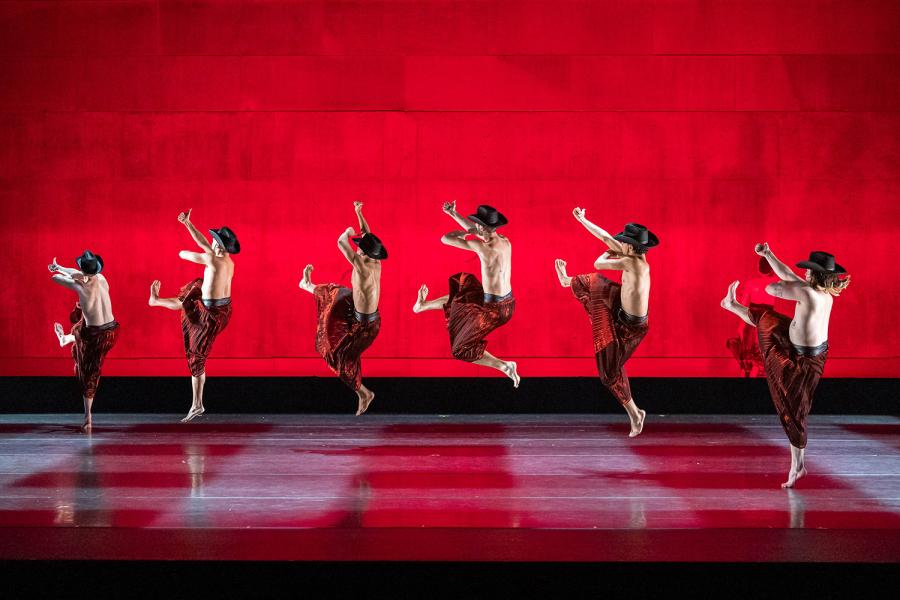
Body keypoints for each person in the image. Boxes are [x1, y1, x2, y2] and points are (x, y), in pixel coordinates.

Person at [721, 246, 850, 488]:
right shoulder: (818, 293)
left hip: (800, 363)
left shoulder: (809, 294)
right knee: (767, 320)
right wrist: (768, 255)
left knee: (792, 410)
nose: (806, 275)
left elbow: (773, 287)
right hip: (800, 346)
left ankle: (798, 465)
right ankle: (731, 305)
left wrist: (788, 284)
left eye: (810, 272)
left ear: (817, 276)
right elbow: (789, 275)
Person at [554, 208, 658, 437]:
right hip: (620, 306)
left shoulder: (635, 264)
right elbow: (605, 238)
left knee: (609, 373)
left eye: (624, 243)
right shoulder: (633, 255)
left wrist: (608, 253)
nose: (620, 244)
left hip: (630, 327)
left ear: (631, 247)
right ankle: (568, 281)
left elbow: (598, 262)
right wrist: (584, 220)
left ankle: (635, 413)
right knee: (592, 283)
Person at [413, 202, 519, 386]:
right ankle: (423, 305)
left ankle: (504, 366)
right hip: (508, 303)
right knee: (462, 291)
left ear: (481, 227)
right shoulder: (504, 240)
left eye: (477, 225)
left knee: (460, 349)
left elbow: (446, 239)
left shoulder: (483, 248)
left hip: (493, 310)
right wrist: (453, 213)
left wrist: (465, 232)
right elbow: (475, 230)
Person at [148, 209, 239, 422]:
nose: (213, 243)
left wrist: (186, 252)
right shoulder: (225, 260)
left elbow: (185, 254)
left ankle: (197, 404)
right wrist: (187, 224)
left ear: (224, 248)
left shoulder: (213, 259)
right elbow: (204, 245)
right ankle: (157, 301)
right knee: (190, 294)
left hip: (212, 315)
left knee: (196, 356)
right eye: (214, 241)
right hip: (222, 308)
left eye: (217, 243)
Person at [299, 201, 386, 415]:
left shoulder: (363, 266)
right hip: (361, 313)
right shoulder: (375, 261)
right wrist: (359, 213)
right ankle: (308, 285)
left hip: (363, 327)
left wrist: (347, 232)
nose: (357, 245)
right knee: (335, 292)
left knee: (335, 354)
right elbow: (367, 234)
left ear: (363, 252)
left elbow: (340, 242)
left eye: (359, 246)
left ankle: (364, 393)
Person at [49, 250, 119, 431]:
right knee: (81, 329)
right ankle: (67, 338)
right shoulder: (102, 279)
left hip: (97, 337)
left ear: (83, 271)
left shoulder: (79, 287)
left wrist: (63, 273)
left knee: (88, 374)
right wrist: (61, 267)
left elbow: (54, 279)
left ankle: (88, 418)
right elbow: (79, 274)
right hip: (112, 331)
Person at [726, 257, 778, 377]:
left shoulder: (751, 283)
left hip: (752, 322)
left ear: (758, 267)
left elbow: (742, 306)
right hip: (768, 323)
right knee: (763, 360)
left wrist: (740, 329)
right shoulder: (776, 282)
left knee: (748, 360)